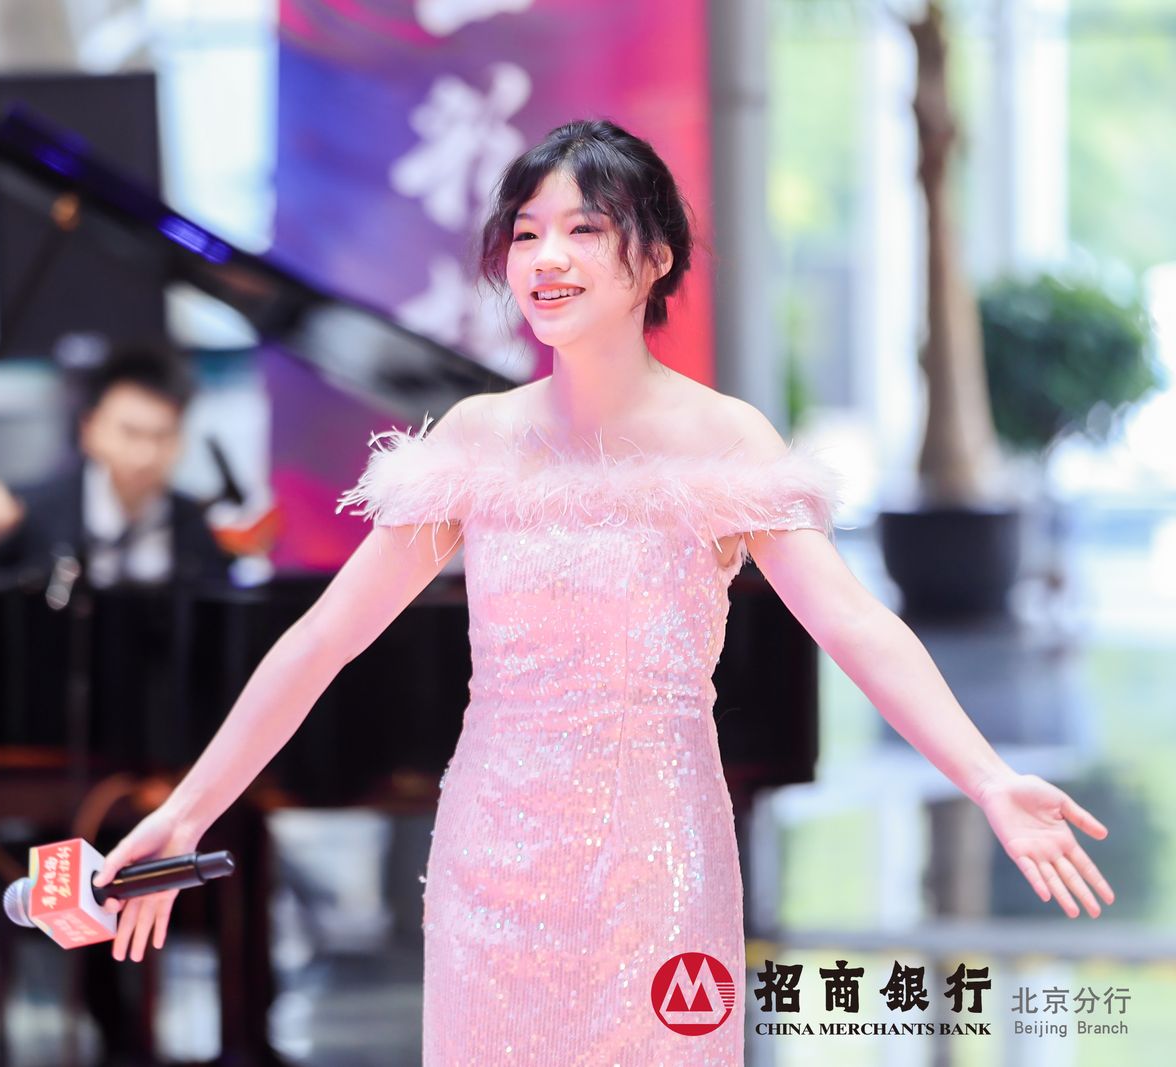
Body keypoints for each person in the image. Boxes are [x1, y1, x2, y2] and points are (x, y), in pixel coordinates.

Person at [85, 120, 1115, 1064]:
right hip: (491, 857)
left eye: (585, 228)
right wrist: (188, 808)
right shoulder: (477, 439)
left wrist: (988, 778)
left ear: (656, 256)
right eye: (527, 233)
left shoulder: (724, 439)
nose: (548, 257)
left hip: (660, 858)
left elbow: (852, 623)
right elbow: (322, 639)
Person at [0, 343, 231, 590]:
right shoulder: (32, 512)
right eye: (130, 433)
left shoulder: (194, 523)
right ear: (90, 429)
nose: (145, 454)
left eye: (162, 435)